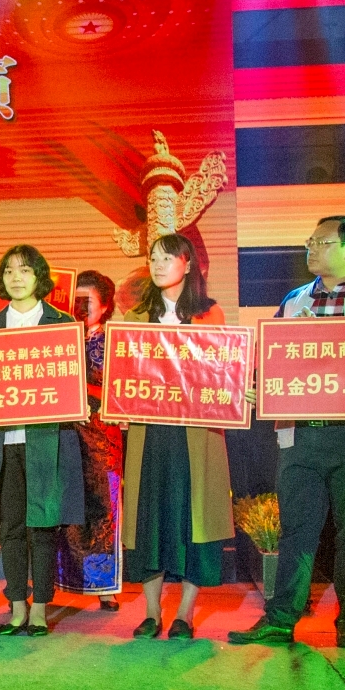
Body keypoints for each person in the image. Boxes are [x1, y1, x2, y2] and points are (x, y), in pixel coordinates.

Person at [230, 217, 345, 648]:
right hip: (300, 436)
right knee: (296, 531)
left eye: (321, 242)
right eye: (310, 241)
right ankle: (281, 619)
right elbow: (274, 361)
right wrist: (260, 387)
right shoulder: (293, 301)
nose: (310, 248)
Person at [0, 245, 87, 636]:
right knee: (11, 527)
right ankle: (17, 607)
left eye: (25, 270)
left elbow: (75, 380)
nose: (16, 277)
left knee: (42, 526)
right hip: (2, 443)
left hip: (44, 440)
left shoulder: (61, 324)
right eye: (9, 271)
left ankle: (41, 609)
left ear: (39, 277)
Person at [114, 236, 233, 639]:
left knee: (193, 518)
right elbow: (124, 377)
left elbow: (221, 371)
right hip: (149, 434)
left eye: (168, 257)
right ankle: (151, 612)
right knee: (149, 517)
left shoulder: (209, 314)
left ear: (188, 263)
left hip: (195, 433)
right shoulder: (134, 317)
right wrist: (120, 405)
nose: (158, 264)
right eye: (153, 258)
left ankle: (185, 613)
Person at [62, 269, 125, 612]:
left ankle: (103, 586)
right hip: (64, 433)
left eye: (88, 301)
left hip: (101, 435)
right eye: (76, 300)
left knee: (103, 507)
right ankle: (59, 579)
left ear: (105, 306)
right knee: (63, 507)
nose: (81, 307)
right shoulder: (57, 338)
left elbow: (122, 388)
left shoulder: (115, 342)